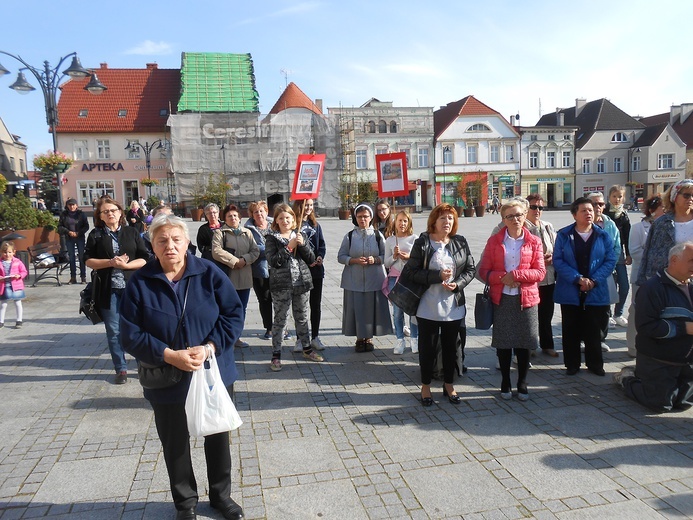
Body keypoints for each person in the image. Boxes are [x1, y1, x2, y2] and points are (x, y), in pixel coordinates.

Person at [120, 214, 245, 520]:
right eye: (162, 240)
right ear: (152, 245)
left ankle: (221, 496)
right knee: (174, 442)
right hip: (166, 374)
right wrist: (167, 354)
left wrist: (210, 347)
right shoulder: (140, 283)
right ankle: (185, 503)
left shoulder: (209, 273)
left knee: (217, 435)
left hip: (212, 369)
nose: (170, 246)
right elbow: (130, 334)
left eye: (176, 239)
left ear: (187, 242)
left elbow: (233, 314)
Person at [405, 203, 476, 406]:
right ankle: (425, 386)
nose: (447, 222)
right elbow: (410, 272)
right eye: (443, 218)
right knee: (427, 348)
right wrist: (436, 276)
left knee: (450, 348)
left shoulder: (460, 242)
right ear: (434, 221)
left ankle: (449, 384)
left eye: (451, 218)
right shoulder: (423, 242)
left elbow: (470, 269)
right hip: (427, 306)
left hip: (453, 307)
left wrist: (457, 284)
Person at [614, 241, 693, 412]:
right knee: (660, 404)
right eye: (691, 261)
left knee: (683, 403)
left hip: (687, 359)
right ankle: (627, 379)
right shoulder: (652, 288)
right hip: (659, 359)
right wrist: (684, 328)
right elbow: (646, 327)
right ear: (673, 260)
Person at [478, 200, 545, 400]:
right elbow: (483, 271)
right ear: (503, 219)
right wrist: (502, 278)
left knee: (524, 343)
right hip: (503, 298)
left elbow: (540, 272)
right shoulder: (494, 241)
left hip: (527, 299)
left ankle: (522, 382)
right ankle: (505, 380)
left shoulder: (534, 241)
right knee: (504, 343)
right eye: (510, 216)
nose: (515, 219)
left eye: (519, 215)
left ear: (525, 216)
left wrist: (516, 275)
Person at [84, 197, 149, 384]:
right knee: (114, 330)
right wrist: (110, 263)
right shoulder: (95, 235)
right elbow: (88, 260)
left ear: (120, 213)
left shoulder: (132, 232)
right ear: (100, 216)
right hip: (108, 289)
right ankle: (120, 369)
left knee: (137, 327)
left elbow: (145, 257)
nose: (110, 214)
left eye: (113, 210)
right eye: (105, 212)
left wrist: (126, 266)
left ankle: (142, 365)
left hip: (132, 288)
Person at [553, 197, 617, 377]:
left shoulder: (603, 235)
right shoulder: (564, 235)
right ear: (574, 214)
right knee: (570, 328)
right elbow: (558, 261)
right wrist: (578, 279)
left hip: (596, 289)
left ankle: (595, 364)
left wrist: (593, 280)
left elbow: (610, 260)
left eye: (591, 209)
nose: (589, 212)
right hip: (570, 289)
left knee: (594, 329)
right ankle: (572, 364)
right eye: (584, 210)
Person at [265, 204, 322, 371]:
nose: (285, 221)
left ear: (293, 219)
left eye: (288, 218)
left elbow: (311, 258)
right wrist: (289, 247)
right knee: (280, 320)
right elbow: (274, 261)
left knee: (302, 317)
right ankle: (276, 355)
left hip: (301, 283)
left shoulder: (299, 234)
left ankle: (307, 348)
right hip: (281, 285)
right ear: (276, 220)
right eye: (281, 218)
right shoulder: (271, 238)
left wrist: (302, 244)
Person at [337, 203, 393, 352]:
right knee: (357, 309)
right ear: (355, 218)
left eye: (365, 216)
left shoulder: (377, 235)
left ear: (371, 217)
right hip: (353, 280)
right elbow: (341, 256)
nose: (363, 219)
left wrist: (375, 260)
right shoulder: (349, 236)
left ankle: (369, 338)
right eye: (360, 216)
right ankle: (359, 338)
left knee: (370, 309)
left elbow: (386, 256)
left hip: (374, 279)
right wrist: (353, 260)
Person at [212, 204, 259, 348]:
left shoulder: (247, 233)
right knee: (225, 308)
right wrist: (234, 261)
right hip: (227, 277)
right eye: (229, 216)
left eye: (235, 216)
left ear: (240, 218)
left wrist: (244, 260)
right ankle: (225, 336)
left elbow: (255, 251)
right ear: (224, 218)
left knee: (241, 308)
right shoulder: (220, 233)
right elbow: (216, 251)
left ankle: (236, 337)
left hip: (244, 276)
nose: (233, 218)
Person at [626, 194, 665, 357]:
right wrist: (658, 256)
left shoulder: (668, 226)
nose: (667, 211)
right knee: (637, 309)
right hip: (641, 276)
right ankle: (633, 346)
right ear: (652, 210)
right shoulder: (637, 227)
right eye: (663, 208)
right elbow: (634, 252)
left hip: (662, 277)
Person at [638, 179, 693, 286]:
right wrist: (645, 280)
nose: (691, 199)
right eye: (686, 195)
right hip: (667, 279)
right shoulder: (661, 223)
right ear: (674, 197)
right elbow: (650, 253)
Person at [525, 193, 558, 357]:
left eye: (540, 207)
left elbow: (557, 247)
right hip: (531, 280)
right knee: (530, 314)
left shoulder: (547, 226)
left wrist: (553, 257)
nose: (537, 210)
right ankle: (530, 345)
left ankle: (547, 344)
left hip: (548, 277)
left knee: (546, 313)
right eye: (533, 207)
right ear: (527, 208)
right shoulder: (522, 226)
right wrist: (537, 261)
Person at [587, 191, 620, 351]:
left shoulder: (610, 224)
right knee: (585, 307)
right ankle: (583, 338)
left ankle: (600, 339)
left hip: (605, 273)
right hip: (586, 274)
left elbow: (616, 248)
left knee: (604, 308)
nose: (597, 207)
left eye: (600, 204)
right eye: (594, 204)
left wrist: (608, 268)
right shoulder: (582, 224)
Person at [293, 198, 327, 352]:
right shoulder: (294, 225)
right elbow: (295, 250)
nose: (308, 207)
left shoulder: (315, 225)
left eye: (311, 205)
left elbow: (322, 245)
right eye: (306, 204)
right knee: (300, 307)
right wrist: (308, 261)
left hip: (316, 271)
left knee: (315, 305)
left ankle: (315, 337)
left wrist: (319, 257)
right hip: (301, 271)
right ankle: (300, 338)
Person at [384, 209, 419, 355]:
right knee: (397, 312)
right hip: (395, 279)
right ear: (395, 222)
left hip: (410, 279)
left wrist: (408, 258)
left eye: (405, 221)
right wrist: (394, 256)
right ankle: (399, 339)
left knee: (413, 311)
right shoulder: (390, 240)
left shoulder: (415, 239)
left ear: (409, 222)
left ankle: (414, 339)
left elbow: (418, 261)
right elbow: (386, 263)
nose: (402, 223)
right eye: (399, 220)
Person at [245, 201, 274, 340]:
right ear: (252, 215)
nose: (259, 214)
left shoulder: (275, 225)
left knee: (280, 299)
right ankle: (269, 328)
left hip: (278, 268)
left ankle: (282, 327)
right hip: (259, 270)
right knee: (264, 299)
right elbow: (252, 249)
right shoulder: (248, 230)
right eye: (255, 212)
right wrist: (271, 249)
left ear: (266, 212)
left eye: (261, 211)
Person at [605, 185, 632, 327]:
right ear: (609, 197)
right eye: (614, 196)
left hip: (619, 255)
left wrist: (628, 253)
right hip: (605, 254)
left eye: (620, 196)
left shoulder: (624, 215)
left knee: (624, 285)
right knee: (610, 285)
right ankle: (608, 314)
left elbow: (627, 237)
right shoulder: (604, 213)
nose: (617, 199)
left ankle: (618, 313)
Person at [58, 198, 89, 284]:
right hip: (69, 238)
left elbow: (86, 226)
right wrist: (68, 232)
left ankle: (83, 277)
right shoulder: (64, 215)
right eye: (70, 205)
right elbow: (60, 227)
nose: (72, 207)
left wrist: (79, 233)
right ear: (67, 206)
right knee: (71, 258)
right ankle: (73, 277)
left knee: (82, 257)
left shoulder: (81, 214)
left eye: (73, 205)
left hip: (80, 237)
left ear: (76, 206)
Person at [0, 241, 28, 328]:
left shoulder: (17, 262)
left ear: (14, 252)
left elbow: (24, 271)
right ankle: (1, 321)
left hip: (16, 285)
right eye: (5, 252)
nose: (7, 254)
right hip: (4, 285)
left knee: (18, 302)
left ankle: (19, 320)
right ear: (1, 252)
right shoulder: (0, 262)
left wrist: (19, 276)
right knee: (3, 304)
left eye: (9, 252)